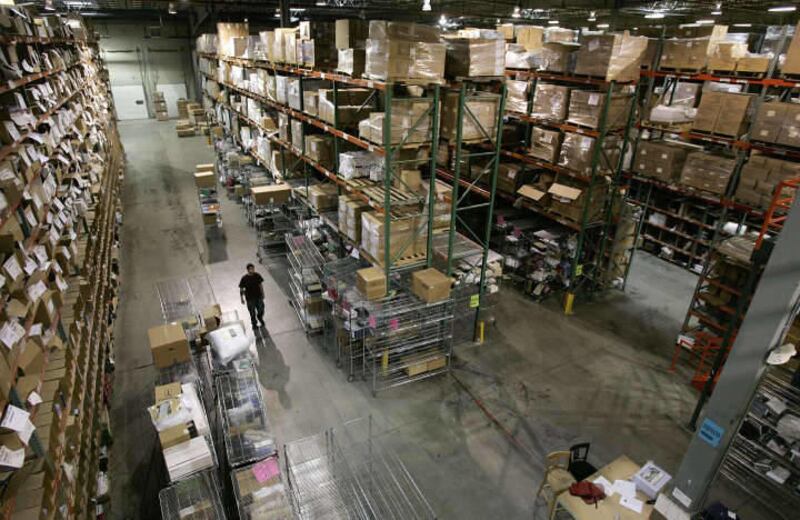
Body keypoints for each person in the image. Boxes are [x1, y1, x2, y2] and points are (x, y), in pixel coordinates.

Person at [239, 263, 266, 329]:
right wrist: (242, 298)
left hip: (258, 296)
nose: (252, 270)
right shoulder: (244, 278)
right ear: (248, 270)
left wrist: (263, 294)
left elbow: (260, 285)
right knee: (252, 312)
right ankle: (254, 324)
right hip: (250, 298)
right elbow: (241, 288)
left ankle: (260, 317)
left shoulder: (257, 275)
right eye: (250, 269)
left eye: (253, 268)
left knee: (261, 309)